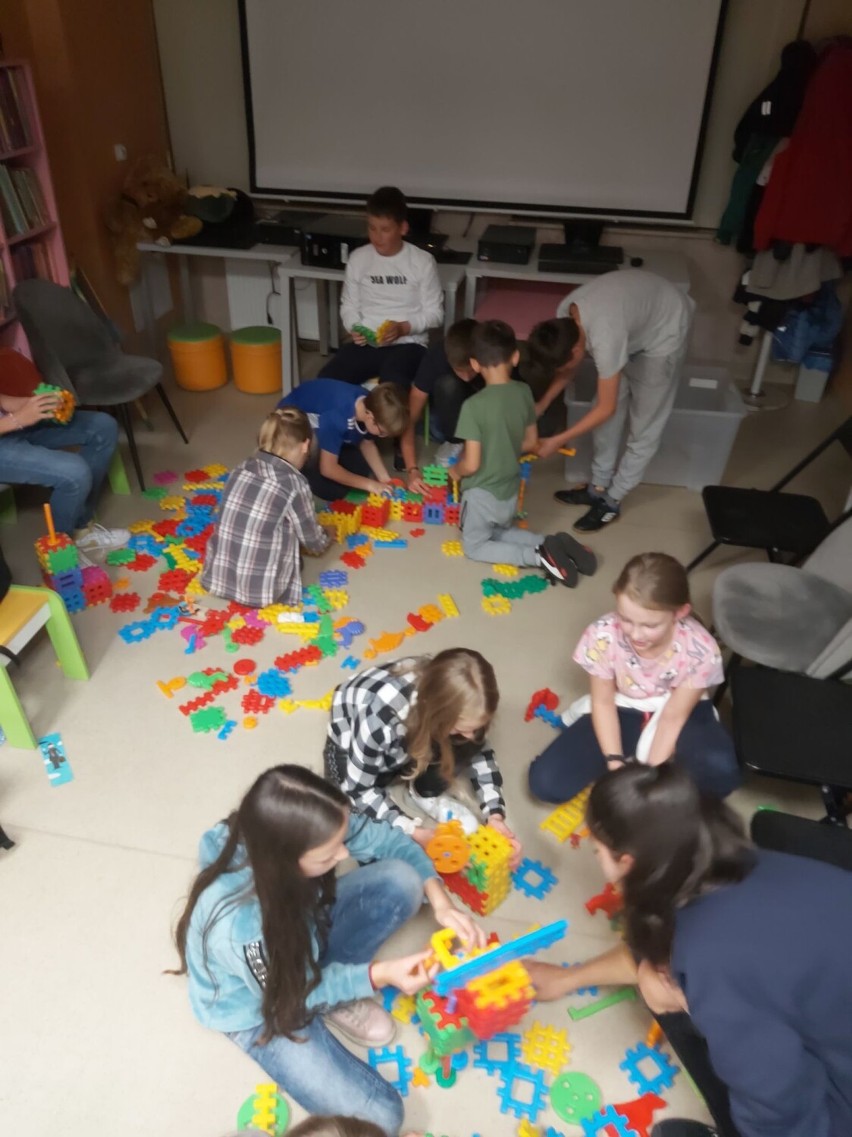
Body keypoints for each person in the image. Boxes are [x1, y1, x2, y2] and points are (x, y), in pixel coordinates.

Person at [526, 764, 852, 1137]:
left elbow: (778, 1107)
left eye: (597, 849)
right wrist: (569, 978)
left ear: (627, 861)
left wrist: (682, 997)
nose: (596, 858)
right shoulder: (740, 860)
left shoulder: (710, 961)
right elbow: (659, 943)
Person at [171, 765, 483, 1137]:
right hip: (265, 1006)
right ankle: (335, 993)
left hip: (301, 940)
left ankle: (335, 982)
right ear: (284, 862)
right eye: (327, 855)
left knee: (404, 879)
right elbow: (289, 996)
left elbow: (388, 841)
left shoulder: (304, 824)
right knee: (381, 1119)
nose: (345, 852)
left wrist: (441, 901)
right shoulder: (243, 930)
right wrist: (376, 975)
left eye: (341, 838)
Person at [528, 552, 740, 803]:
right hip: (626, 705)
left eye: (650, 625)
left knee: (721, 772)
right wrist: (615, 764)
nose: (635, 634)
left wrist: (650, 778)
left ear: (680, 612)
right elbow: (603, 703)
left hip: (681, 708)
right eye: (626, 619)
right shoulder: (603, 635)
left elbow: (673, 717)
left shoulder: (700, 648)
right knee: (546, 783)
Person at [528, 269, 694, 532]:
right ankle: (597, 487)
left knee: (644, 426)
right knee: (603, 414)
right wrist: (543, 403)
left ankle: (612, 499)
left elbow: (608, 407)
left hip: (665, 329)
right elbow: (569, 369)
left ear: (576, 350)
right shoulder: (564, 316)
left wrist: (558, 440)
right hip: (632, 322)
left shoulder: (605, 335)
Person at [324, 649, 520, 859]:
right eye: (462, 728)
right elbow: (359, 790)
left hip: (411, 738)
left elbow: (481, 751)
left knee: (466, 743)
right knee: (347, 819)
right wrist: (412, 831)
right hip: (353, 744)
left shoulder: (455, 701)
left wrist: (495, 814)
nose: (471, 735)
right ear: (436, 714)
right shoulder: (380, 720)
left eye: (475, 727)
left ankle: (422, 790)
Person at [452, 319, 596, 586]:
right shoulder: (523, 392)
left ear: (474, 364)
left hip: (483, 497)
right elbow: (531, 442)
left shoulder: (473, 406)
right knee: (499, 531)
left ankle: (538, 556)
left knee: (474, 546)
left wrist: (455, 471)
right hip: (509, 494)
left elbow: (471, 465)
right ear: (515, 357)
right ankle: (551, 543)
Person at [0, 349, 129, 557]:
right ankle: (63, 549)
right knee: (74, 472)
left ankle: (80, 527)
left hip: (12, 426)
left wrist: (34, 405)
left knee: (102, 427)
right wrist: (18, 419)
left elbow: (2, 400)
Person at [201, 407, 331, 608]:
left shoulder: (242, 467)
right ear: (305, 445)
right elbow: (313, 541)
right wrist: (327, 534)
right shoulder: (294, 483)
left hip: (217, 578)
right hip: (260, 591)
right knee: (295, 548)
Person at [319, 186, 443, 390]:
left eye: (385, 230)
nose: (377, 237)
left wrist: (404, 327)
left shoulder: (422, 261)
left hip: (408, 345)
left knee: (391, 390)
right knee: (326, 382)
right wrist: (354, 326)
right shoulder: (358, 258)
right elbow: (348, 305)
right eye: (372, 228)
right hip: (366, 345)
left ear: (403, 228)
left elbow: (435, 314)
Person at [279, 378, 408, 500]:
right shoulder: (338, 417)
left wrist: (385, 480)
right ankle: (302, 471)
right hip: (288, 428)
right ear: (371, 418)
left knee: (360, 469)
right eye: (382, 433)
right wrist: (371, 485)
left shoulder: (369, 403)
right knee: (333, 491)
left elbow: (367, 443)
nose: (382, 436)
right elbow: (328, 469)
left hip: (324, 425)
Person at [397, 318, 482, 490]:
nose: (466, 377)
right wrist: (412, 470)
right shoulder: (437, 356)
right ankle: (454, 443)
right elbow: (410, 417)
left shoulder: (491, 355)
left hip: (482, 418)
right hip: (449, 418)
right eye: (460, 371)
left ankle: (469, 444)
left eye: (471, 371)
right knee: (447, 387)